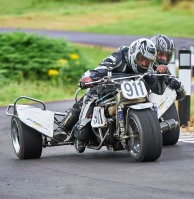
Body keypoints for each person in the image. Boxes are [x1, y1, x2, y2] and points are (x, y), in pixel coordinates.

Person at [53, 36, 185, 151]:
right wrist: (87, 78)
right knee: (83, 129)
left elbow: (159, 91)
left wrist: (161, 77)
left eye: (147, 61)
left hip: (132, 97)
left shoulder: (150, 65)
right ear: (134, 54)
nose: (143, 63)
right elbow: (98, 70)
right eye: (141, 59)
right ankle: (63, 128)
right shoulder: (119, 57)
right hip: (108, 90)